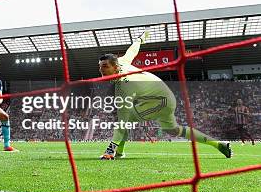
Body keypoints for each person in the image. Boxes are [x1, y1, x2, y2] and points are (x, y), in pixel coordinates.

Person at [98, 30, 231, 160]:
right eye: (100, 67)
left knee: (122, 121)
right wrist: (140, 39)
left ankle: (117, 152)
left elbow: (122, 122)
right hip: (166, 97)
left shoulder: (124, 86)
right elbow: (132, 51)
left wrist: (110, 149)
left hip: (159, 102)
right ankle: (219, 144)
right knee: (174, 130)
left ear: (115, 67)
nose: (101, 70)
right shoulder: (122, 62)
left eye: (105, 67)